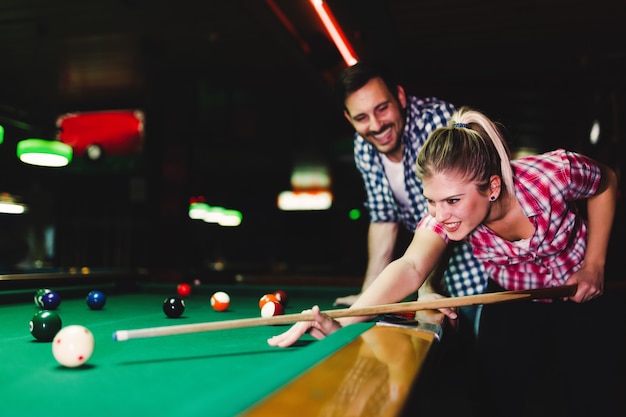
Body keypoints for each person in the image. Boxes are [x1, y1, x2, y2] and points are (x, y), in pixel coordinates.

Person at [268, 106, 621, 417]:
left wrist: (595, 264)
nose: (441, 215)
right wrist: (342, 323)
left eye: (452, 201)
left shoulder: (552, 176)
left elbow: (606, 182)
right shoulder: (443, 214)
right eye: (431, 201)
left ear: (493, 187)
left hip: (579, 295)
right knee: (493, 401)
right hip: (511, 298)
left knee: (595, 399)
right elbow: (410, 267)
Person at [331, 61, 486, 336]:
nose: (376, 125)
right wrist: (367, 299)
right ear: (349, 119)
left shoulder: (437, 122)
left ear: (400, 98)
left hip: (481, 276)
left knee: (486, 367)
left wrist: (427, 287)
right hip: (429, 283)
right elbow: (383, 221)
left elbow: (443, 219)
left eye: (382, 108)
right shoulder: (364, 148)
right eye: (362, 117)